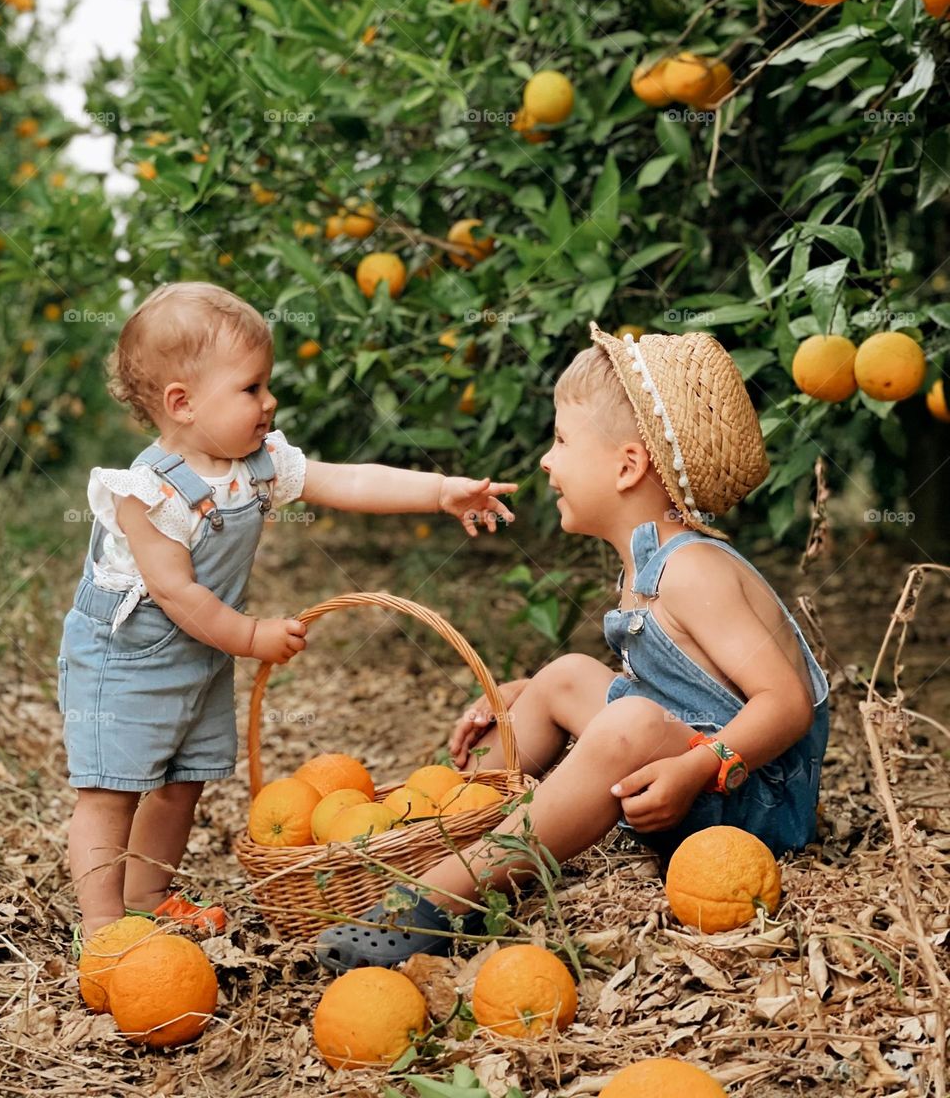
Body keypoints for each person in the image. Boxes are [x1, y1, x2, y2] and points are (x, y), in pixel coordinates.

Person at [315, 321, 830, 972]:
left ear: (627, 466)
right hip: (687, 769)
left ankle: (440, 895)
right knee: (560, 677)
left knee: (631, 722)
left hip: (748, 802)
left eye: (560, 440)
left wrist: (696, 769)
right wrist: (523, 697)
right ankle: (453, 820)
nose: (545, 461)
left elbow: (785, 706)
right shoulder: (645, 570)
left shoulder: (694, 571)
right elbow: (677, 690)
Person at [57, 281, 516, 947]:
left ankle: (149, 895)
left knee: (183, 782)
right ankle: (102, 927)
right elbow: (178, 593)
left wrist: (440, 491)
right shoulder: (148, 494)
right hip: (128, 661)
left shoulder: (258, 463)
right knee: (111, 790)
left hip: (198, 654)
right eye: (251, 388)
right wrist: (250, 635)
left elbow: (347, 480)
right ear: (181, 404)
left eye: (266, 383)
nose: (269, 401)